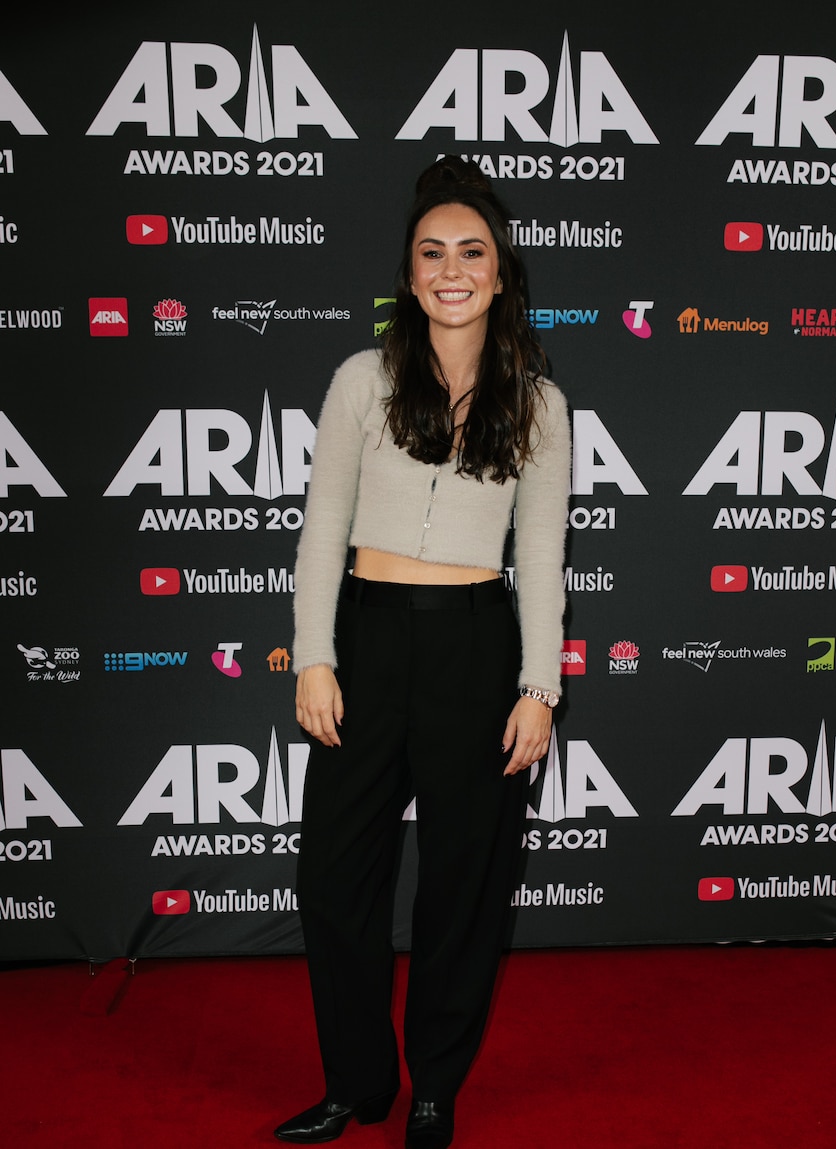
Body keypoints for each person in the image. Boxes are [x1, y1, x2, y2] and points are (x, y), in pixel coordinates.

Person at [275, 156, 570, 1149]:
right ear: (409, 273)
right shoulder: (361, 380)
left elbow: (541, 558)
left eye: (471, 253)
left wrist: (539, 687)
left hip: (475, 644)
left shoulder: (538, 404)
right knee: (332, 878)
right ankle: (357, 1082)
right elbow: (321, 529)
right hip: (366, 634)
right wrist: (314, 654)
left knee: (465, 882)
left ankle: (435, 1085)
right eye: (432, 253)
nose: (452, 270)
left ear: (500, 272)